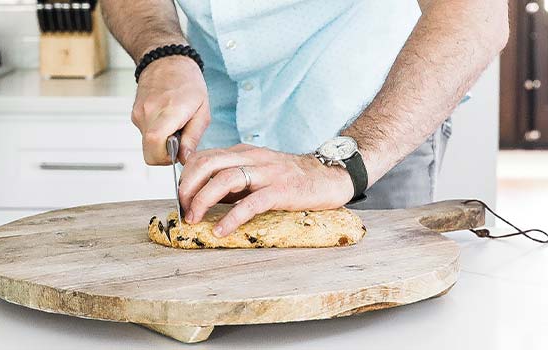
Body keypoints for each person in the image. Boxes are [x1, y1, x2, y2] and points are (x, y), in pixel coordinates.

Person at [101, 0, 509, 237]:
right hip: (219, 130)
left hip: (371, 133)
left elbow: (475, 15)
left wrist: (342, 165)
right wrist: (161, 51)